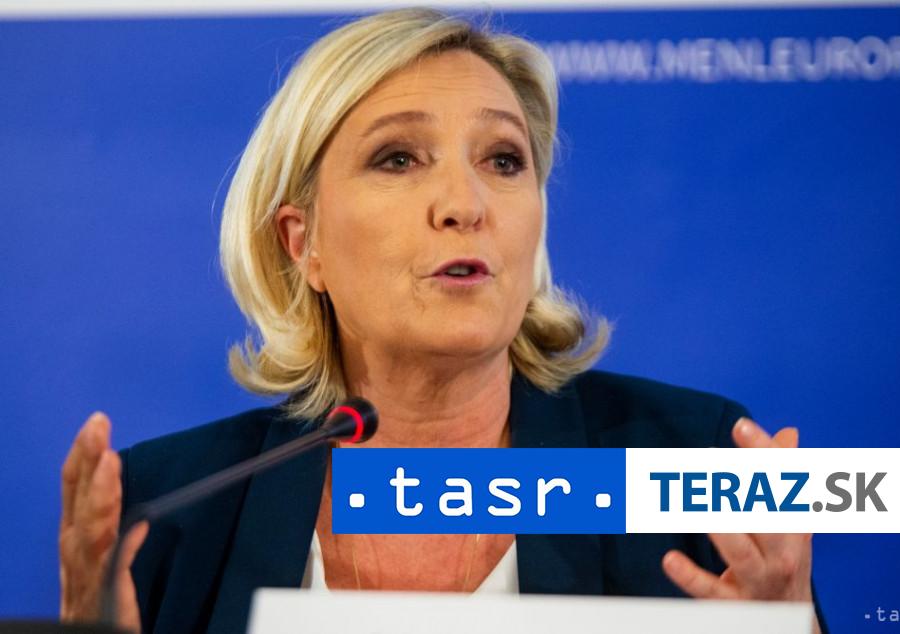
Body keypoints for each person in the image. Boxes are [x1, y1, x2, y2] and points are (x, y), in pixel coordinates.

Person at [58, 8, 826, 634]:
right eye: (398, 158)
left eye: (503, 160)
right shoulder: (168, 508)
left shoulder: (693, 464)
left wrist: (791, 627)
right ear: (303, 243)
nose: (466, 204)